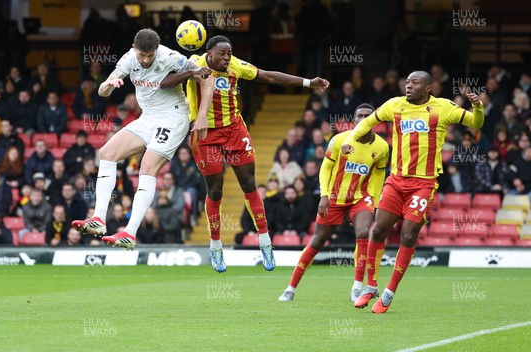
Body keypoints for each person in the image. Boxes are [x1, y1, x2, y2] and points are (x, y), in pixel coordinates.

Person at [160, 35, 329, 272]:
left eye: (229, 53)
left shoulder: (236, 66)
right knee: (215, 190)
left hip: (234, 130)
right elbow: (164, 82)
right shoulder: (193, 62)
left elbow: (268, 76)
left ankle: (265, 241)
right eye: (222, 53)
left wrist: (308, 82)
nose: (227, 57)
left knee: (249, 183)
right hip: (205, 135)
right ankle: (216, 245)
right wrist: (191, 73)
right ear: (209, 53)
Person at [340, 71, 484, 313]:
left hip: (423, 183)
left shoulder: (443, 107)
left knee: (408, 236)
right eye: (407, 82)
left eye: (415, 82)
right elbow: (368, 122)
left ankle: (389, 293)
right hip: (396, 181)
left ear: (428, 88)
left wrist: (477, 107)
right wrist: (352, 140)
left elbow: (476, 123)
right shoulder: (395, 105)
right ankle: (371, 285)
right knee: (378, 231)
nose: (408, 85)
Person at [71, 28, 211, 251]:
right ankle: (98, 220)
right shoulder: (128, 60)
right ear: (134, 49)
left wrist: (202, 115)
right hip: (148, 117)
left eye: (150, 55)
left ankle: (130, 232)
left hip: (173, 117)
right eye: (142, 55)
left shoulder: (171, 57)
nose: (146, 60)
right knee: (106, 153)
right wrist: (109, 85)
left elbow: (206, 77)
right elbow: (102, 92)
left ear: (157, 50)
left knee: (146, 167)